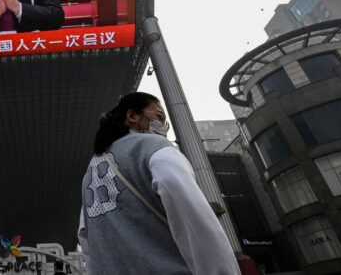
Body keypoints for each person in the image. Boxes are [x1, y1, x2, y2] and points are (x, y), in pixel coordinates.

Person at [79, 92, 240, 274]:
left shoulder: (89, 175)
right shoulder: (154, 148)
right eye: (159, 116)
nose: (163, 125)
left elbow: (85, 238)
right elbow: (193, 217)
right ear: (132, 116)